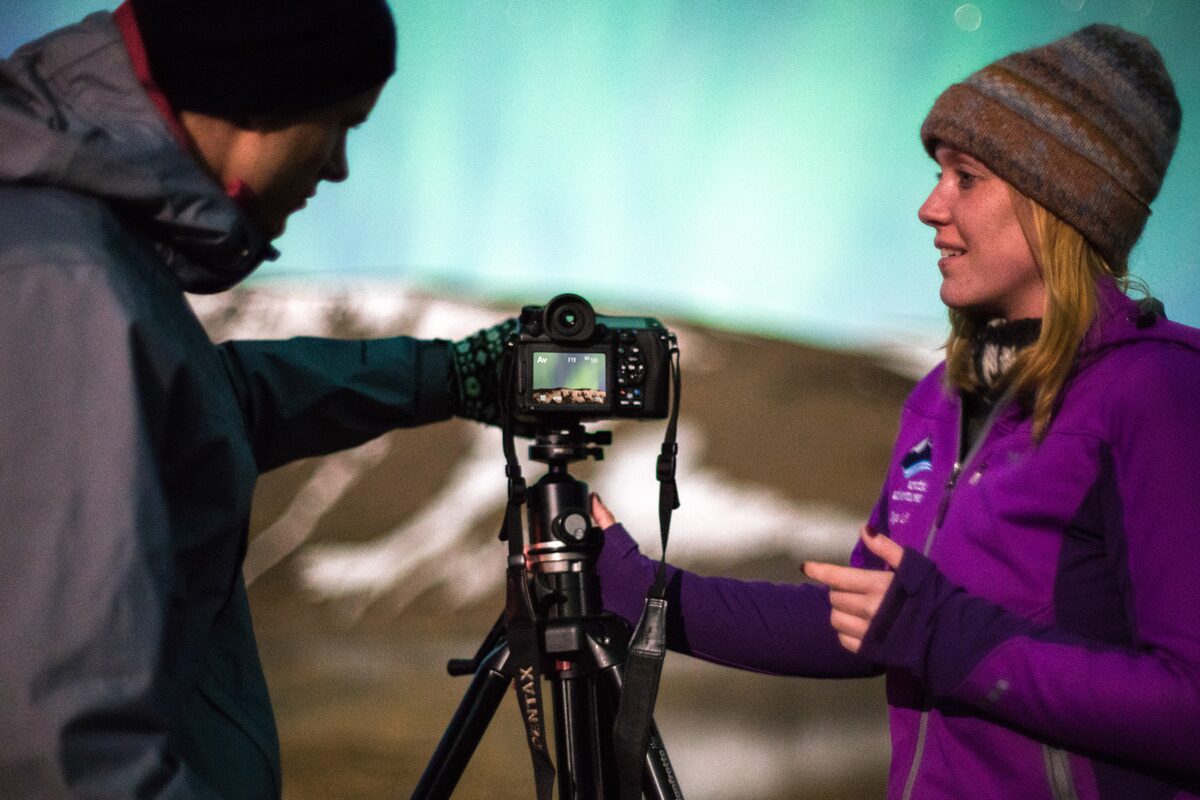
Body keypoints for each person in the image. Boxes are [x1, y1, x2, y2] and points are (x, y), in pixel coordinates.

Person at [593, 24, 1200, 799]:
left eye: (966, 176)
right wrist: (645, 595)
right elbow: (860, 623)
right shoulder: (943, 398)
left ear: (1058, 200)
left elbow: (1189, 705)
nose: (928, 206)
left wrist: (945, 634)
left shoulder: (1158, 392)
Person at [0, 1, 510, 797]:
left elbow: (205, 402)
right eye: (341, 121)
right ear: (262, 97)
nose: (338, 165)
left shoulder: (87, 256)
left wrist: (451, 374)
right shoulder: (65, 286)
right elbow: (65, 755)